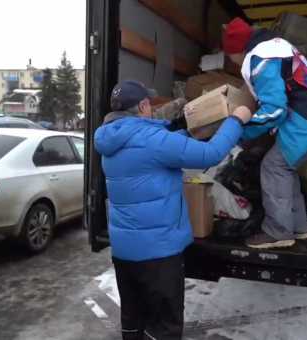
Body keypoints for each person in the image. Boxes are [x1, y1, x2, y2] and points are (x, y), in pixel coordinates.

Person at [94, 80, 252, 340]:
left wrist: (187, 135)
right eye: (150, 104)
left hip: (124, 252)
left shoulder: (110, 140)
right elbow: (210, 154)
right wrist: (236, 120)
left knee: (133, 319)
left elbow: (154, 149)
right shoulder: (151, 140)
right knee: (165, 327)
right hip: (158, 254)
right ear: (143, 106)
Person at [222, 18, 307, 249]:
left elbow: (275, 110)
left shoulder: (259, 59)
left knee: (274, 167)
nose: (231, 60)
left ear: (236, 51)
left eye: (229, 55)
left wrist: (239, 130)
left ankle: (279, 232)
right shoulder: (275, 45)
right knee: (285, 167)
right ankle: (298, 228)